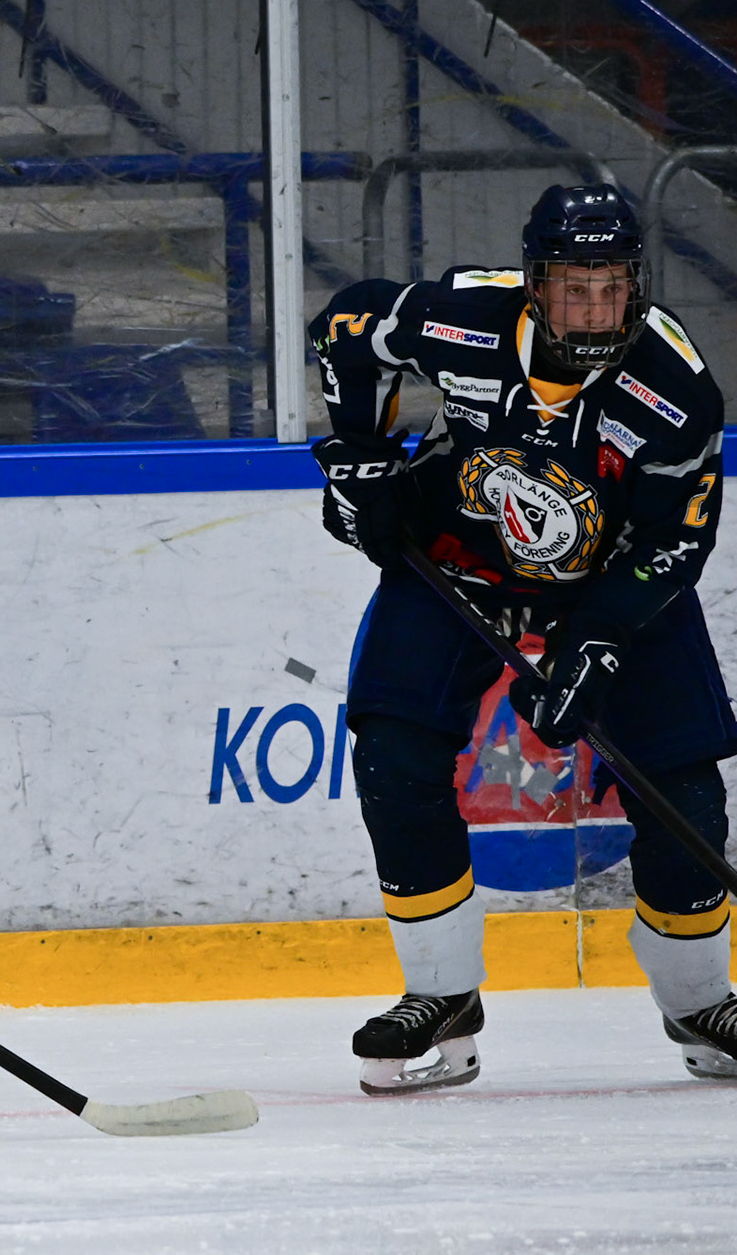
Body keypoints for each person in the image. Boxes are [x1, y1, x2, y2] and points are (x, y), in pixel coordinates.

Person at [309, 183, 737, 1095]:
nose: (596, 308)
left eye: (612, 288)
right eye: (575, 289)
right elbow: (348, 327)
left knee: (685, 793)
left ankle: (702, 1005)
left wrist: (600, 639)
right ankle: (442, 997)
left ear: (636, 284)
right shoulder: (467, 319)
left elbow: (676, 541)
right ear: (537, 285)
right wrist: (363, 459)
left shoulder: (675, 389)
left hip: (609, 587)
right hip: (460, 560)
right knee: (394, 752)